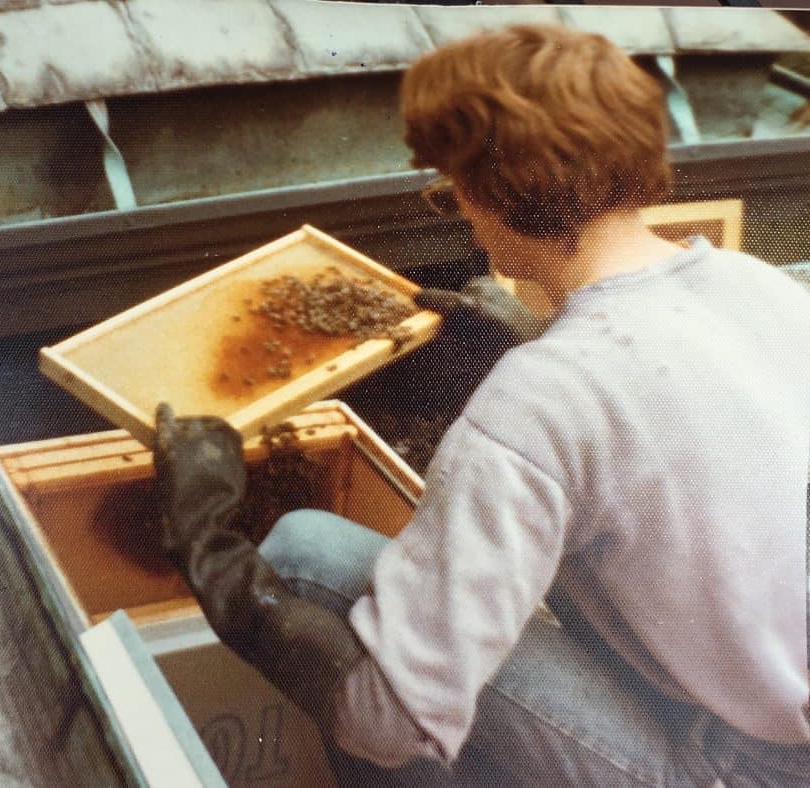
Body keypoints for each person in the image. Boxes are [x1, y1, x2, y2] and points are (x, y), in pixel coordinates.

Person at [152, 24, 810, 786]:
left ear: (494, 195)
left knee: (302, 555)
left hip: (737, 770)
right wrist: (535, 340)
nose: (459, 209)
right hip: (769, 702)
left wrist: (206, 546)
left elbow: (387, 720)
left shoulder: (541, 400)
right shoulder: (757, 284)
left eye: (454, 189)